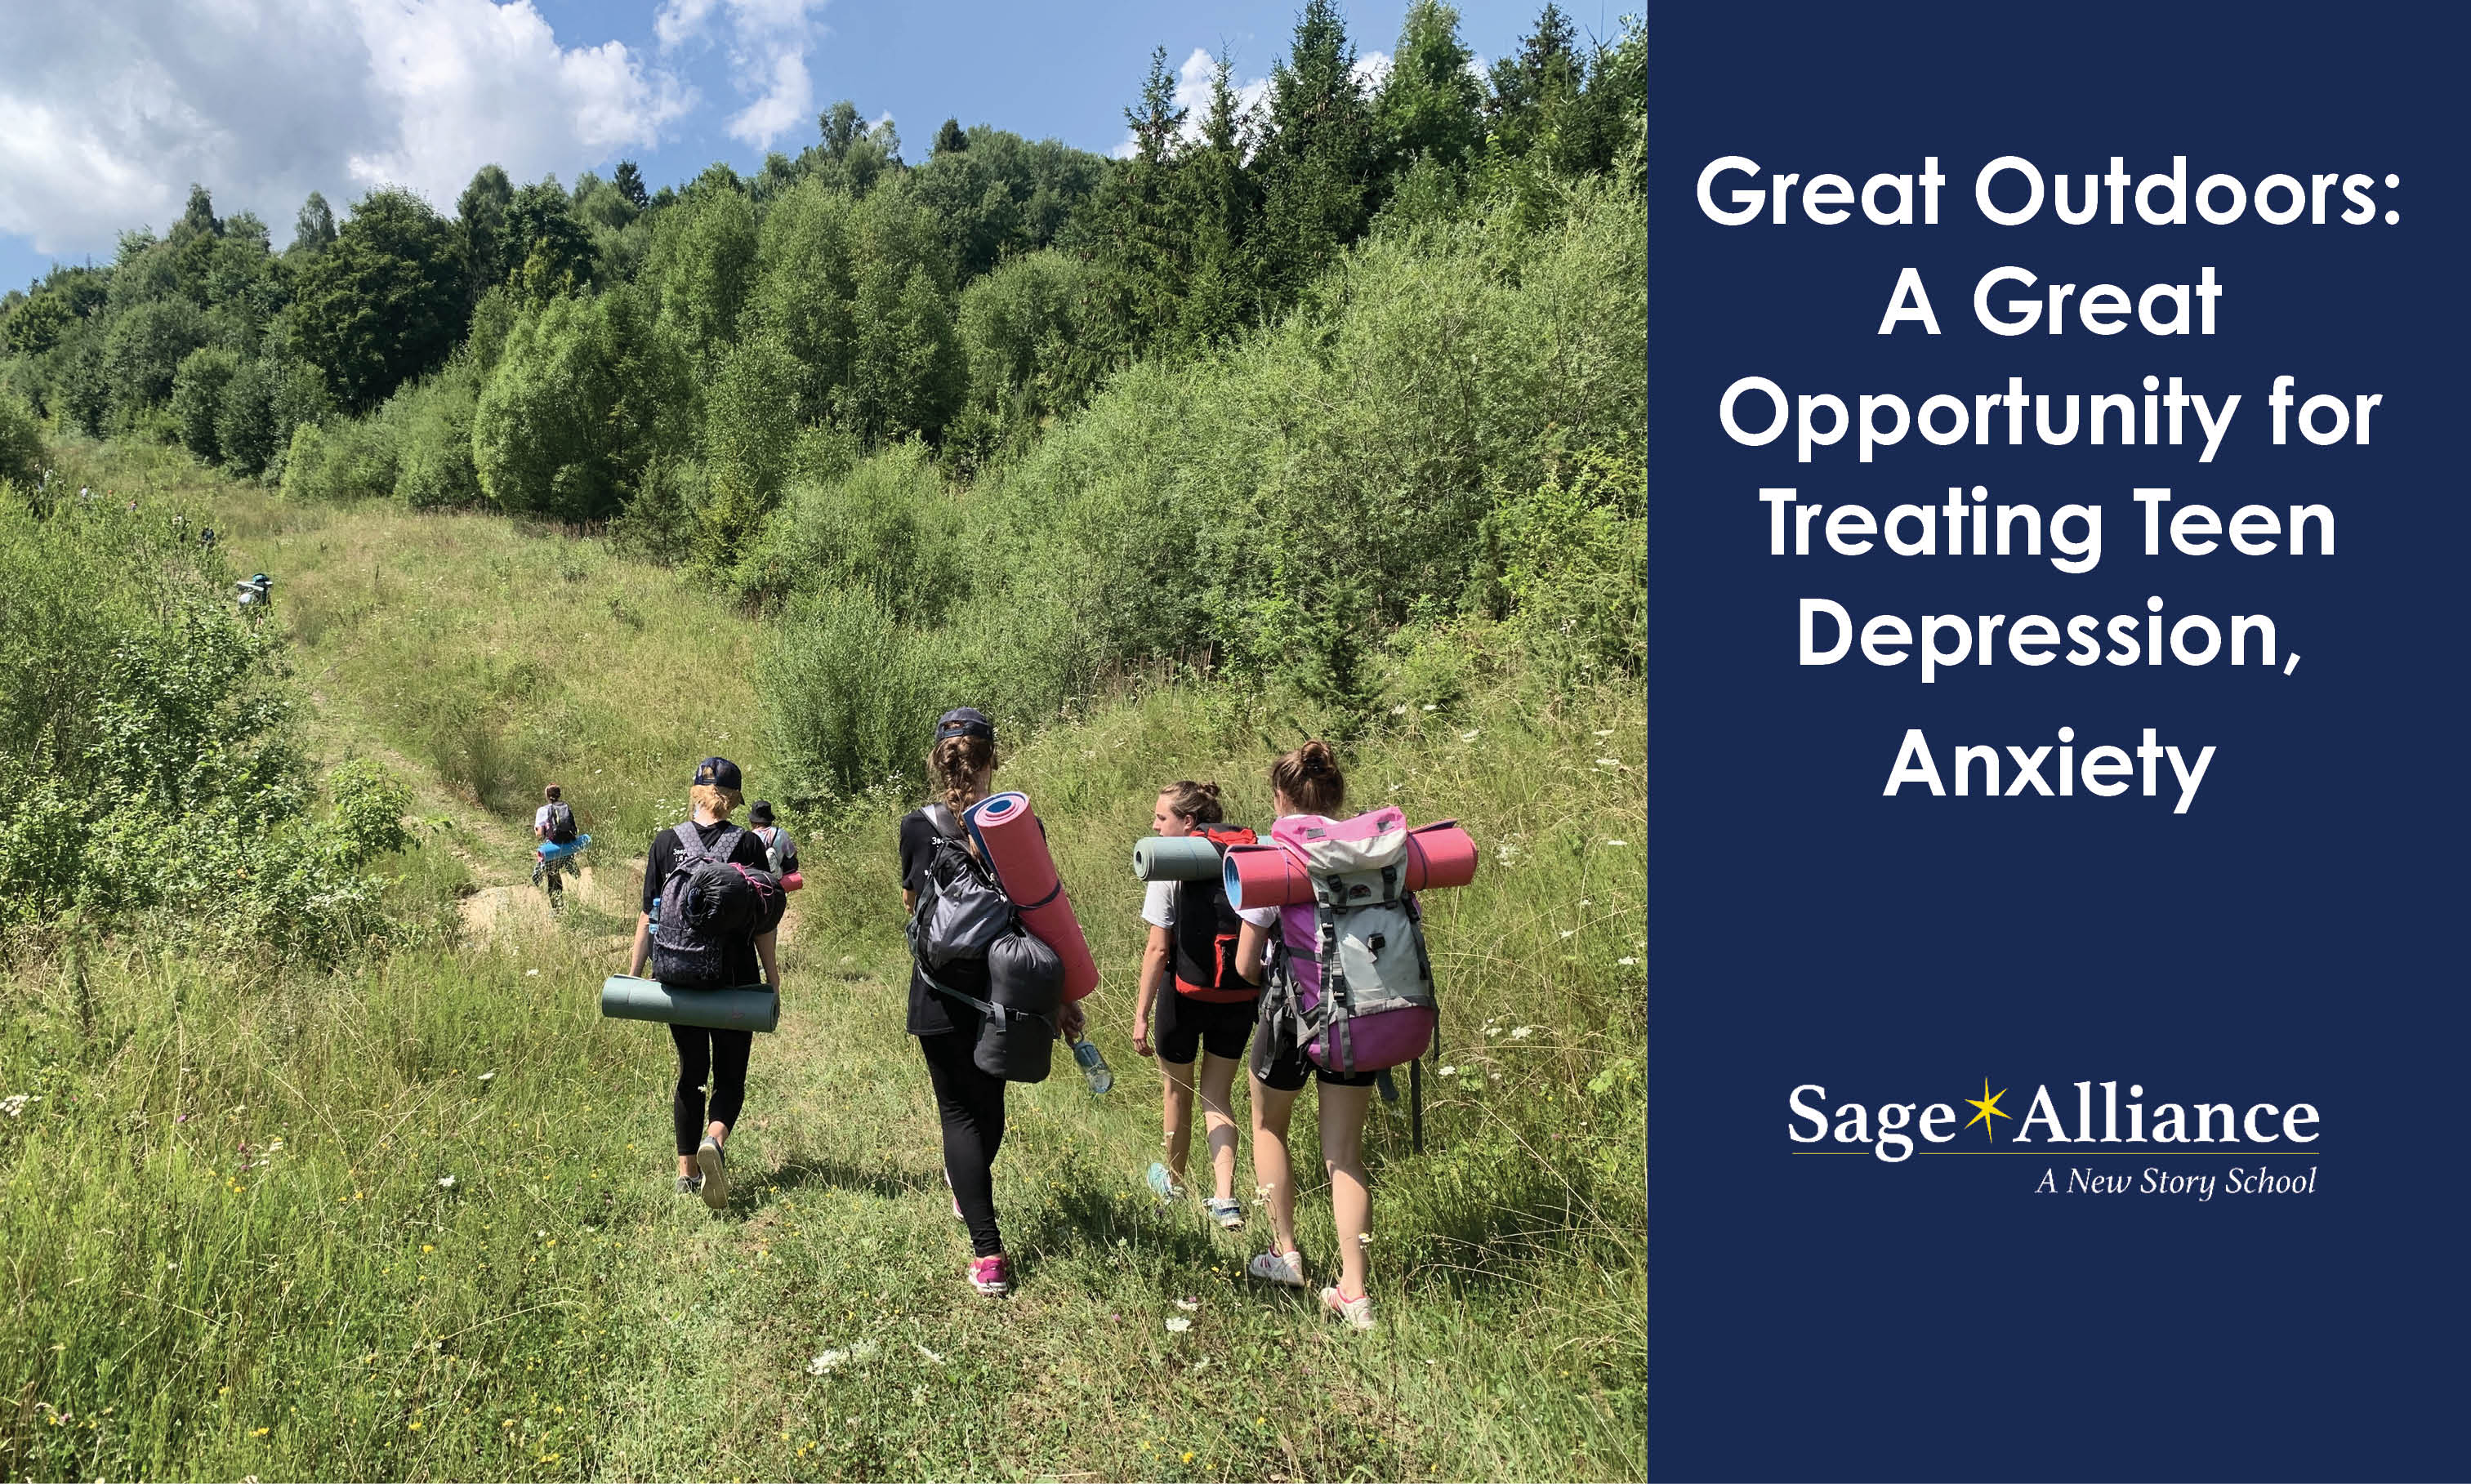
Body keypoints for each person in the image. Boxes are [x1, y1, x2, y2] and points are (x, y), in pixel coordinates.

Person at [899, 707, 1085, 1297]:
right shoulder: (1016, 822)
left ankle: (989, 1255)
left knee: (956, 1113)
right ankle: (970, 1186)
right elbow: (1041, 914)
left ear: (937, 759)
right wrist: (1059, 994)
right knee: (988, 1105)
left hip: (938, 991)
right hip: (1008, 990)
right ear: (992, 758)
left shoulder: (916, 825)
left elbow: (913, 908)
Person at [1234, 741, 1382, 1330]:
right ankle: (1355, 1291)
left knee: (1268, 1122)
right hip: (1362, 1011)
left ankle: (1286, 1252)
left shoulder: (1277, 855)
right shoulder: (1368, 851)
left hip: (1292, 1015)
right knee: (1345, 1152)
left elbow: (1248, 963)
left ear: (1279, 797)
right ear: (1338, 798)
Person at [627, 757, 783, 1210]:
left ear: (695, 791)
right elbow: (762, 923)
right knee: (730, 1076)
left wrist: (634, 977)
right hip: (733, 980)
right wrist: (772, 978)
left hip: (678, 980)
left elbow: (649, 917)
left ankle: (685, 1173)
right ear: (734, 798)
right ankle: (714, 1139)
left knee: (691, 1073)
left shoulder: (665, 843)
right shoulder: (749, 844)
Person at [1134, 780, 1272, 1228]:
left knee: (1177, 1093)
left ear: (1188, 822)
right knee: (1217, 1095)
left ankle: (1172, 1185)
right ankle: (1225, 1198)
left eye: (1161, 818)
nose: (1154, 825)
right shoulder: (1245, 859)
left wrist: (1140, 1014)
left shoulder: (1170, 869)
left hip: (1184, 993)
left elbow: (1158, 950)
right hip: (1238, 996)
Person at [532, 783, 579, 903]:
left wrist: (536, 829)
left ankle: (557, 908)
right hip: (567, 846)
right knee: (556, 873)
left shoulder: (543, 810)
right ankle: (562, 901)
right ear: (559, 795)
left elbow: (540, 834)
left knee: (552, 875)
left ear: (547, 796)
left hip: (553, 847)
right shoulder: (565, 807)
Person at [748, 800, 798, 876]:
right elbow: (791, 854)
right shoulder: (781, 833)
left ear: (752, 822)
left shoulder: (750, 836)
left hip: (757, 874)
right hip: (776, 872)